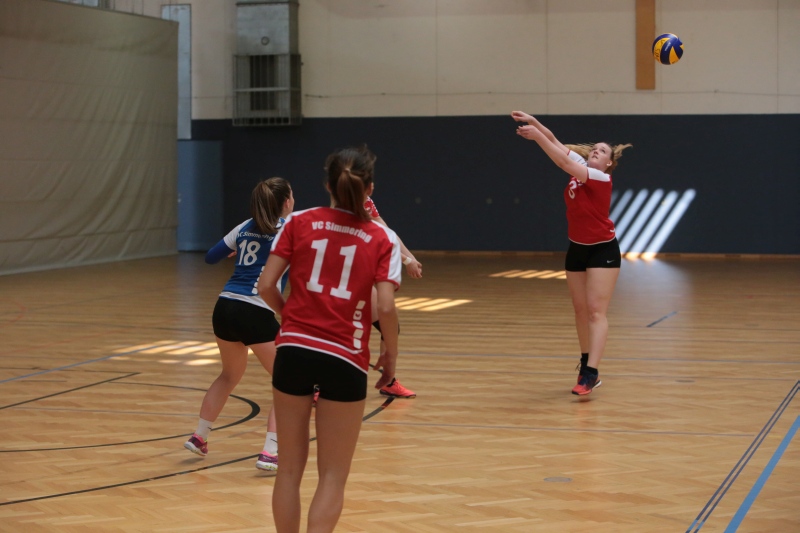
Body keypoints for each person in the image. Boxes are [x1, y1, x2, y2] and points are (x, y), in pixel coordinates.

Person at [257, 145, 401, 533]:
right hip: (346, 356)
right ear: (369, 189)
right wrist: (390, 352)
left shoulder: (298, 222)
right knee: (333, 476)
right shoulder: (382, 238)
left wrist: (290, 319)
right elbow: (386, 307)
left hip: (294, 350)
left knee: (288, 469)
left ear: (327, 184)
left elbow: (266, 285)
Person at [512, 111, 631, 396]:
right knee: (580, 310)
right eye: (594, 149)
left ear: (609, 163)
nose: (595, 151)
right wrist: (534, 122)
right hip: (577, 247)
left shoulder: (600, 178)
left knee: (595, 311)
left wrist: (536, 138)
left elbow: (562, 161)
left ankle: (592, 372)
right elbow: (556, 142)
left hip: (602, 249)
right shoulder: (583, 165)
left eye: (602, 151)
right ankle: (585, 362)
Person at [184, 177, 294, 471]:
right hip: (254, 311)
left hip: (224, 308)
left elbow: (211, 257)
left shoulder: (245, 226)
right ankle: (270, 451)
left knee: (229, 375)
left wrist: (238, 250)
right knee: (288, 382)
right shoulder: (290, 229)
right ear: (286, 202)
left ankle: (199, 436)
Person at [364, 194, 419, 398]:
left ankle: (389, 381)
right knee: (336, 333)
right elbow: (377, 240)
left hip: (358, 278)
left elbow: (387, 233)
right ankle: (318, 387)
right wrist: (406, 261)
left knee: (389, 328)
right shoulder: (347, 204)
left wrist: (411, 258)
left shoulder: (365, 199)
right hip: (339, 281)